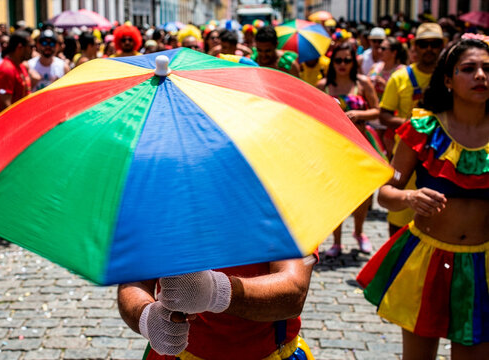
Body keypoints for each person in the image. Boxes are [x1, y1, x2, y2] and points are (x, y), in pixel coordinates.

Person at [357, 36, 489, 360]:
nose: (481, 76)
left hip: (483, 265)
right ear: (448, 79)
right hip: (427, 261)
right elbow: (386, 194)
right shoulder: (423, 129)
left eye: (488, 68)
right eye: (469, 69)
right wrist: (410, 197)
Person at [118, 254, 317, 359]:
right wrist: (145, 317)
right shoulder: (162, 201)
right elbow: (134, 282)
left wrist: (216, 292)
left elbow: (294, 292)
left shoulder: (282, 196)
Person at [379, 23, 444, 235]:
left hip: (441, 161)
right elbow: (384, 115)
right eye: (424, 44)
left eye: (435, 44)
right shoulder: (400, 78)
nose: (429, 49)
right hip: (406, 157)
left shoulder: (453, 78)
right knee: (399, 222)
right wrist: (414, 127)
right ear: (415, 47)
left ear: (442, 46)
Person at [317, 42, 380, 257]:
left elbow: (377, 110)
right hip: (332, 146)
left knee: (362, 194)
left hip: (360, 144)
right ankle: (336, 241)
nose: (342, 64)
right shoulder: (322, 85)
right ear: (332, 62)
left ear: (354, 62)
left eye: (347, 60)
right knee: (336, 194)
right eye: (338, 60)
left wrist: (359, 115)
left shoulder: (362, 83)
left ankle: (359, 232)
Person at [0, 30, 33, 113]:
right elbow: (5, 105)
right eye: (31, 46)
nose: (33, 49)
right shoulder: (7, 69)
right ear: (20, 47)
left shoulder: (20, 66)